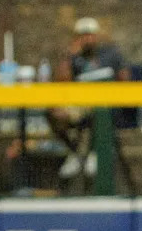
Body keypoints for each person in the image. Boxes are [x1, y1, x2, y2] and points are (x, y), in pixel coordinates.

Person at [48, 17, 129, 180]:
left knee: (98, 110)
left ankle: (94, 152)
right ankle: (76, 153)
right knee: (53, 113)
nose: (87, 39)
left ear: (96, 36)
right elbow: (61, 81)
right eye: (82, 35)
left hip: (106, 105)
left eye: (90, 35)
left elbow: (125, 78)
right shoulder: (74, 57)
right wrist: (70, 56)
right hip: (80, 104)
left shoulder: (109, 53)